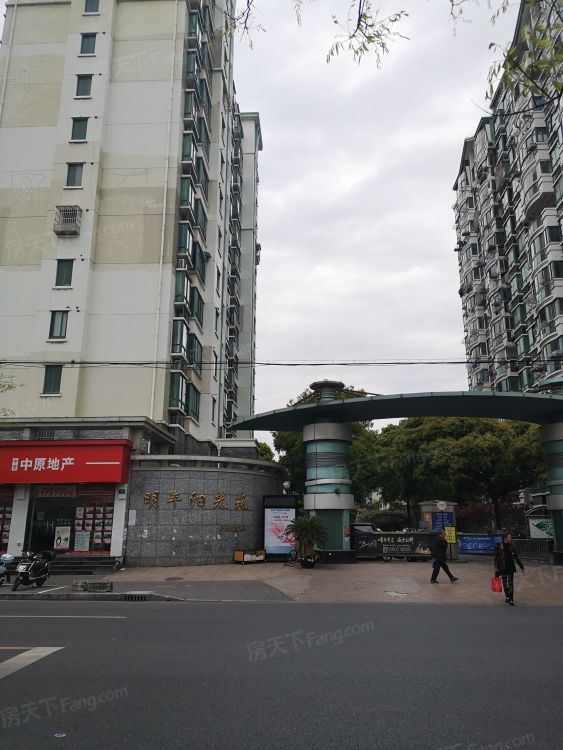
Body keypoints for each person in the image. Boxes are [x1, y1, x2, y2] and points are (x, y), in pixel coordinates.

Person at [494, 533, 524, 606]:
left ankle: (511, 599)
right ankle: (507, 596)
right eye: (509, 537)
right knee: (505, 584)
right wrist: (496, 568)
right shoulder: (499, 546)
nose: (511, 538)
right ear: (505, 538)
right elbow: (496, 558)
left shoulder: (511, 546)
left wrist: (521, 567)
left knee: (510, 583)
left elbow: (516, 557)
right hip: (502, 568)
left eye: (510, 537)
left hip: (510, 567)